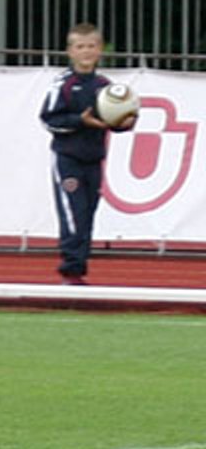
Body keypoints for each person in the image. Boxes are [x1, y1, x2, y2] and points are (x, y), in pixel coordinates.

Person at [39, 21, 135, 285]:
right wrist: (80, 121)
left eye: (91, 46)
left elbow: (112, 120)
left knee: (89, 212)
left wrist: (125, 123)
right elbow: (48, 120)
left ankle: (79, 268)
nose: (86, 52)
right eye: (80, 47)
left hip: (94, 159)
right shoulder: (62, 84)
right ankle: (71, 270)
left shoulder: (105, 86)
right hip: (67, 158)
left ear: (100, 49)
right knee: (74, 212)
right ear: (70, 51)